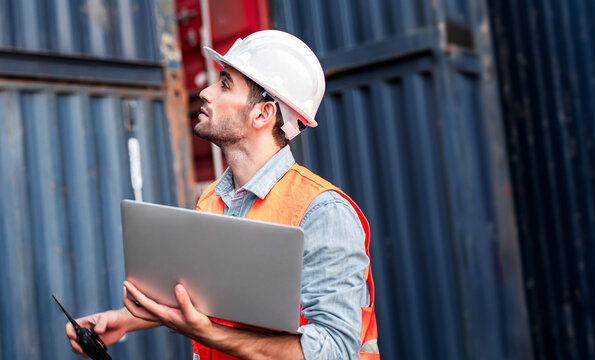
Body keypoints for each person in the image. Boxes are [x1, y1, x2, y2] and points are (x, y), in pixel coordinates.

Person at [65, 30, 378, 360]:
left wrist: (209, 334)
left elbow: (335, 350)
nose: (205, 91)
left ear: (263, 114)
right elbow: (212, 300)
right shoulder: (213, 201)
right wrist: (126, 320)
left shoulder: (322, 211)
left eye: (225, 83)